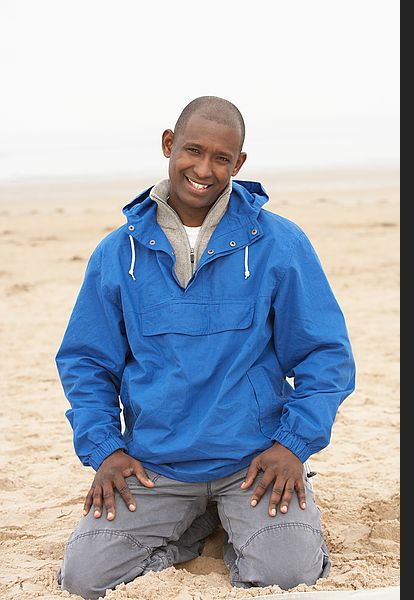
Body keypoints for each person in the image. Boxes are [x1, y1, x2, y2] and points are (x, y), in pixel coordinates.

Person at [55, 96, 355, 599]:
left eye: (221, 158)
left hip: (255, 462)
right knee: (85, 579)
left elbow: (326, 355)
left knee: (286, 575)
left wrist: (292, 446)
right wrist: (105, 449)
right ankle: (199, 529)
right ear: (169, 145)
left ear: (238, 164)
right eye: (193, 150)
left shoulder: (278, 243)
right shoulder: (118, 252)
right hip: (155, 465)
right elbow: (86, 362)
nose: (204, 169)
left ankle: (247, 526)